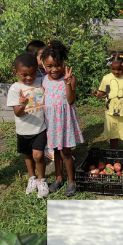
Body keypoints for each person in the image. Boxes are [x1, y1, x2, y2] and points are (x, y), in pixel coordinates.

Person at [41, 41, 82, 197]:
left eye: (57, 65)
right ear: (44, 65)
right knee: (56, 152)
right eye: (49, 66)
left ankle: (71, 181)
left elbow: (71, 100)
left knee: (65, 152)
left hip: (63, 122)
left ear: (63, 62)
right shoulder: (44, 80)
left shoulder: (70, 78)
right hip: (51, 122)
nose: (54, 69)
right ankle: (58, 178)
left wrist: (67, 84)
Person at [6, 52, 48, 198]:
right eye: (24, 75)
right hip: (23, 130)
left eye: (33, 73)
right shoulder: (14, 89)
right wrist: (22, 105)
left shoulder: (41, 82)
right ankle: (32, 178)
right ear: (16, 72)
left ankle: (42, 180)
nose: (29, 77)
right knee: (28, 156)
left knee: (38, 155)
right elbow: (17, 113)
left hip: (40, 128)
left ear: (37, 70)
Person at [92, 51, 123, 151]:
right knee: (113, 136)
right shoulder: (106, 78)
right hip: (110, 114)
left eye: (119, 69)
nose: (116, 72)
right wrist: (98, 94)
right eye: (113, 69)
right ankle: (114, 154)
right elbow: (104, 93)